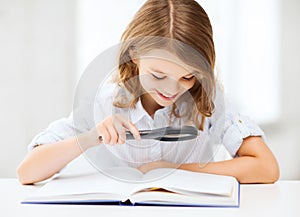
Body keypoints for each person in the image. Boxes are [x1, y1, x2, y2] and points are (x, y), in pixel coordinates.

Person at [17, 0, 279, 185]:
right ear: (134, 55)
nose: (171, 89)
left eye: (187, 76)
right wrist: (91, 137)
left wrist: (175, 171)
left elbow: (266, 167)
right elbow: (27, 172)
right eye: (158, 75)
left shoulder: (208, 104)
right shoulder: (106, 102)